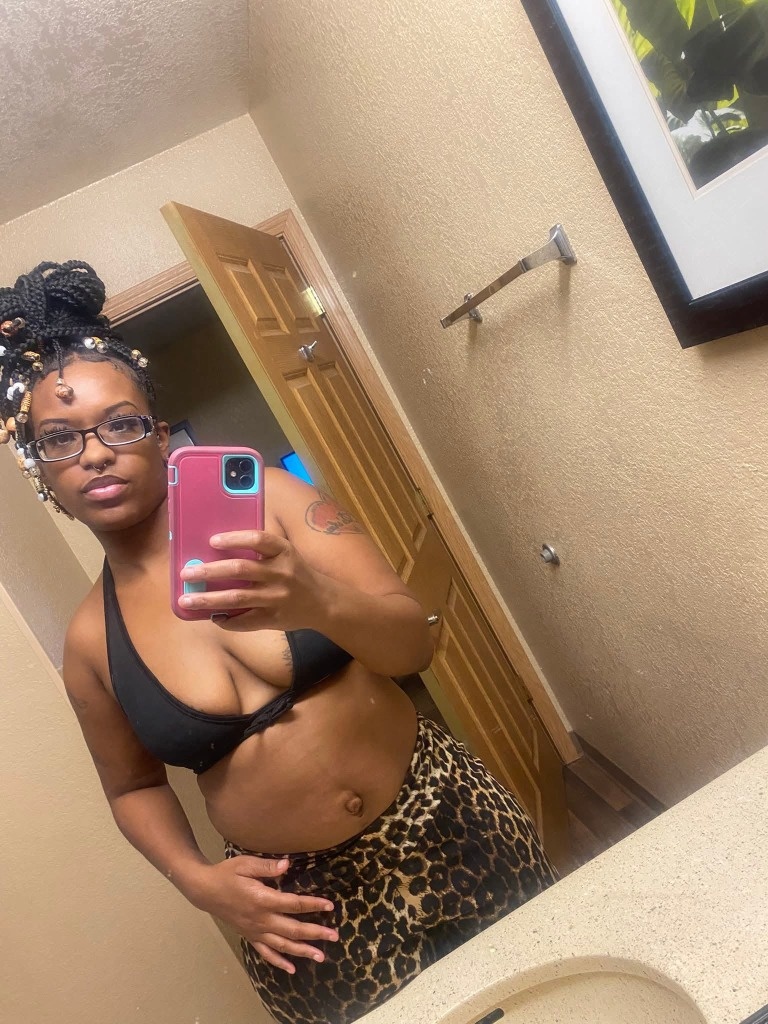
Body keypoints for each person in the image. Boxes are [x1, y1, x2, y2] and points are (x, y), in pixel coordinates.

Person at [0, 261, 557, 1024]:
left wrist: (315, 599)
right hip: (303, 918)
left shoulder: (271, 500)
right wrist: (197, 881)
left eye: (120, 425)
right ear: (41, 472)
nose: (94, 453)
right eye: (60, 439)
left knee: (560, 995)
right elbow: (132, 789)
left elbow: (413, 647)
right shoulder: (90, 643)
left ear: (158, 438)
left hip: (448, 819)